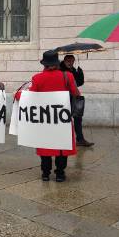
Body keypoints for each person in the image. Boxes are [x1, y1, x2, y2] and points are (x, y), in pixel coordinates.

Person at [26, 50, 80, 182]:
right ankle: (60, 173)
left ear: (44, 64)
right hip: (62, 117)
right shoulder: (68, 76)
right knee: (62, 145)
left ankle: (45, 173)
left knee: (45, 144)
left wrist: (18, 95)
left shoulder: (37, 78)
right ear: (57, 63)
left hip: (45, 119)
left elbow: (29, 96)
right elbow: (76, 93)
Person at [60, 54, 93, 147]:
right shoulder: (60, 70)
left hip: (73, 97)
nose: (71, 63)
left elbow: (78, 83)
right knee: (64, 119)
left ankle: (80, 139)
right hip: (63, 98)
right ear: (65, 61)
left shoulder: (74, 70)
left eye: (72, 61)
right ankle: (61, 139)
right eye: (68, 61)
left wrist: (80, 73)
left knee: (78, 117)